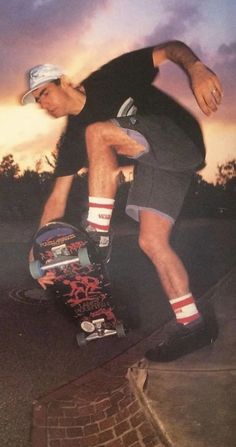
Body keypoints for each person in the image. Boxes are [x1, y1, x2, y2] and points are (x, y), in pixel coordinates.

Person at [22, 40, 223, 361]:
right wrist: (37, 257)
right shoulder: (70, 138)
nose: (42, 104)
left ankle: (98, 236)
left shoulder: (109, 77)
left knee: (97, 133)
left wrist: (196, 68)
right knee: (151, 241)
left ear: (64, 82)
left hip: (177, 135)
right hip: (161, 164)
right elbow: (55, 200)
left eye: (44, 93)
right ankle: (194, 325)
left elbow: (170, 48)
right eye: (36, 101)